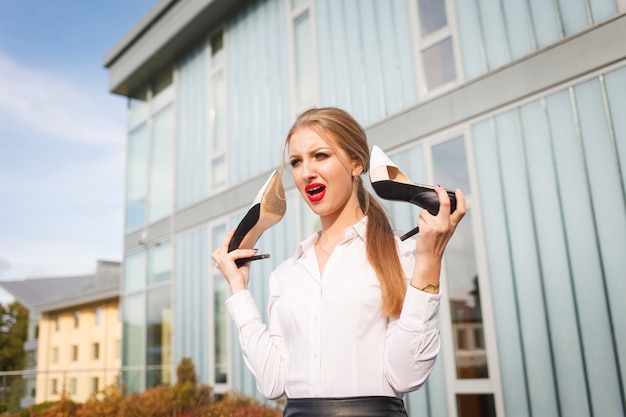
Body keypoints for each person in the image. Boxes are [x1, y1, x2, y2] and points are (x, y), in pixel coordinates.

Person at [212, 107, 466, 417]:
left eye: (320, 156)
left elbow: (407, 375)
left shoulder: (403, 253)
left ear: (356, 164)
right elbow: (272, 382)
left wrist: (429, 259)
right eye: (296, 162)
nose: (306, 172)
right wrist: (239, 291)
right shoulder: (286, 274)